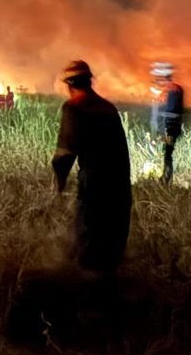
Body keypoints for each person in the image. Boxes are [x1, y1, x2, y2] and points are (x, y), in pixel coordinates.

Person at [52, 60, 132, 274]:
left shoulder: (74, 107)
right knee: (112, 243)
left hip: (94, 187)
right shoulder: (108, 108)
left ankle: (90, 293)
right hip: (120, 187)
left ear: (70, 85)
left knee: (89, 239)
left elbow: (65, 153)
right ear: (89, 81)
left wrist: (58, 185)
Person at [149, 62, 184, 185]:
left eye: (159, 78)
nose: (157, 81)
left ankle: (166, 179)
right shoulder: (174, 89)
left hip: (169, 129)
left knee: (168, 153)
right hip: (171, 128)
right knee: (167, 152)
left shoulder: (171, 90)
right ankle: (166, 177)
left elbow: (170, 113)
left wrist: (157, 133)